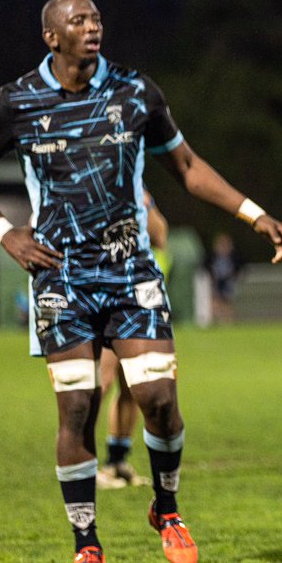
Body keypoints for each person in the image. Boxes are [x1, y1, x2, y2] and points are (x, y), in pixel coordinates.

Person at [0, 0, 282, 563]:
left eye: (96, 18)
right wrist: (2, 231)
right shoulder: (16, 101)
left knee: (159, 401)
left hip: (130, 272)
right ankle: (86, 542)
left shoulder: (134, 91)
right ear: (52, 36)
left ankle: (167, 509)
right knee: (77, 408)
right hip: (58, 277)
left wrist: (254, 214)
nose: (92, 27)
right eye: (78, 20)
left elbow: (189, 167)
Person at [96, 189, 168, 490]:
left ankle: (116, 461)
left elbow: (160, 232)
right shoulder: (94, 190)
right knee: (103, 380)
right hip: (100, 293)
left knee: (131, 384)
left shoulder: (132, 188)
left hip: (130, 296)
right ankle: (84, 464)